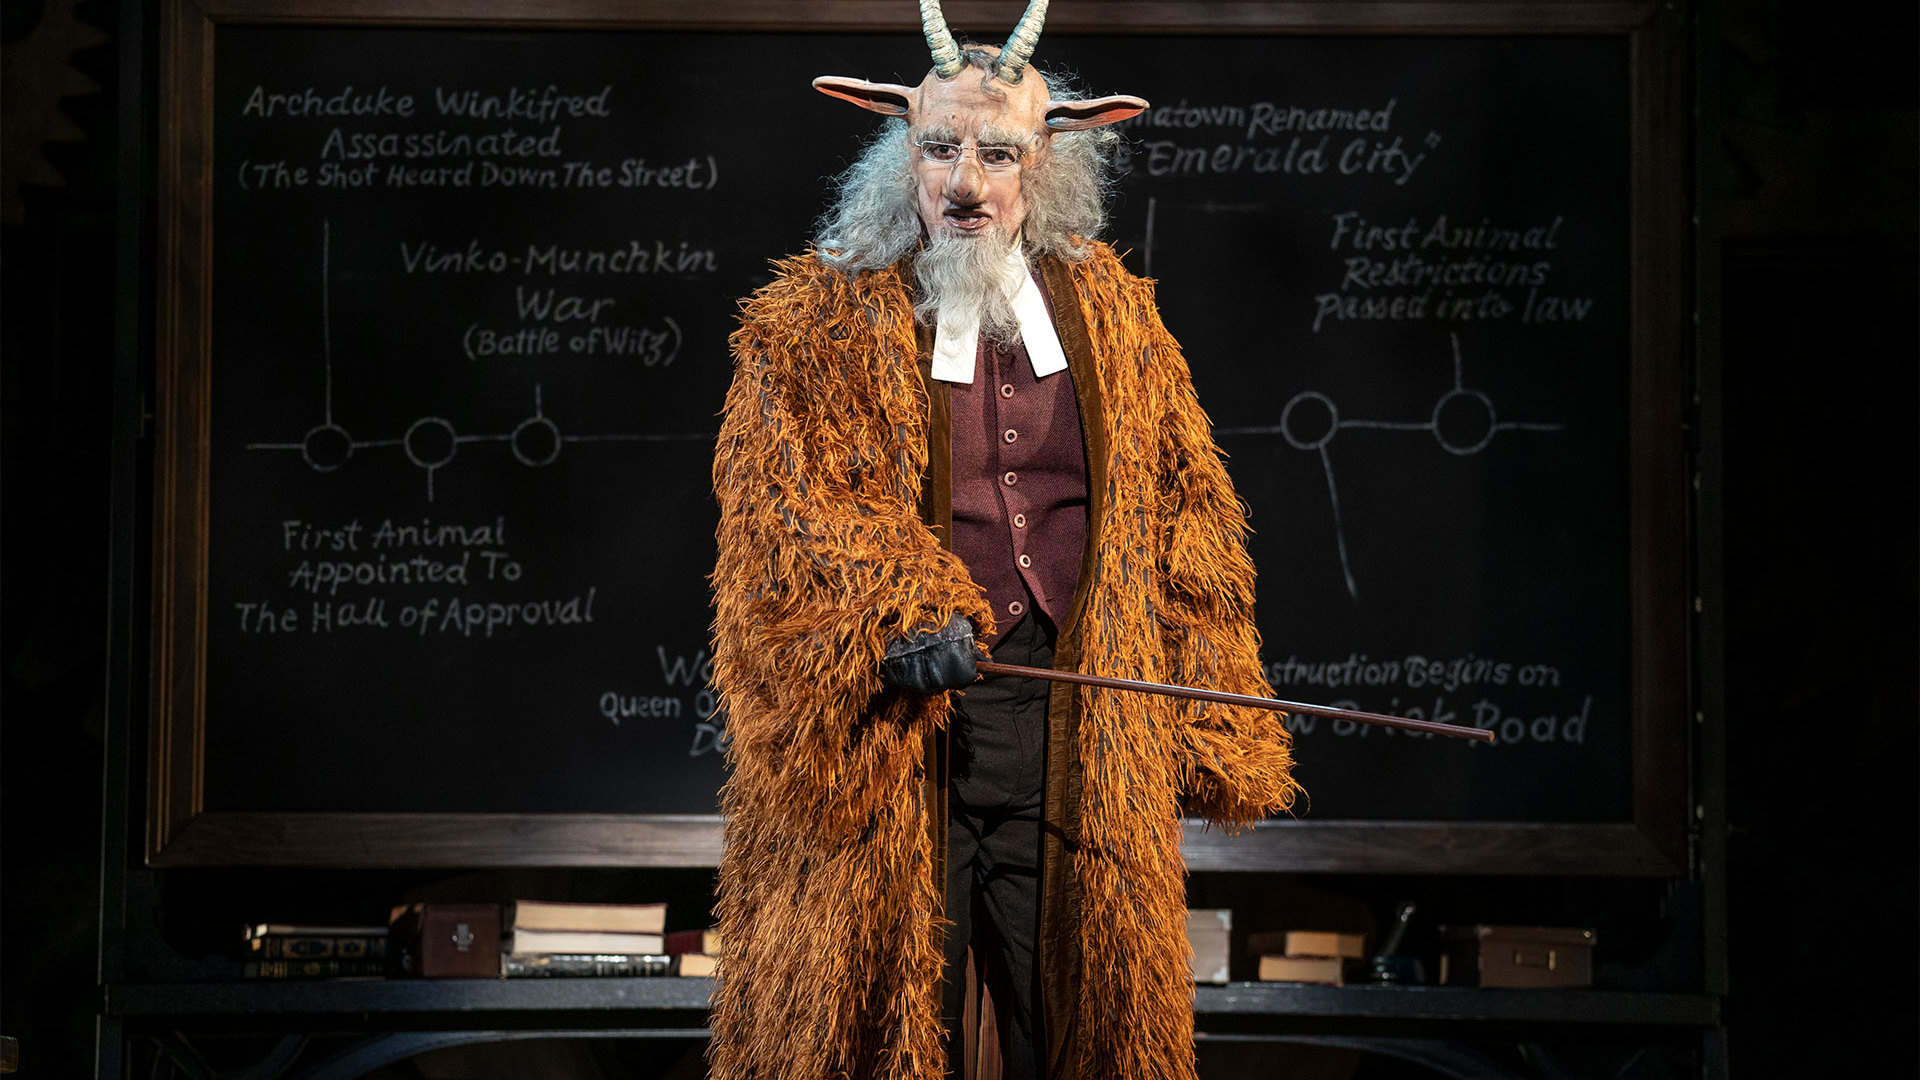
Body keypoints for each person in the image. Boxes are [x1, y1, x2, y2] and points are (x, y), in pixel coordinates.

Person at [707, 3, 1300, 1077]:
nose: (966, 185)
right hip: (900, 726)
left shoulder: (1116, 318)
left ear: (1045, 161)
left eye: (998, 154)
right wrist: (890, 622)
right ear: (904, 151)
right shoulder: (818, 326)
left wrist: (1213, 710)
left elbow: (1188, 516)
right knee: (879, 1022)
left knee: (1080, 1023)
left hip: (1073, 721)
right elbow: (789, 522)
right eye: (941, 149)